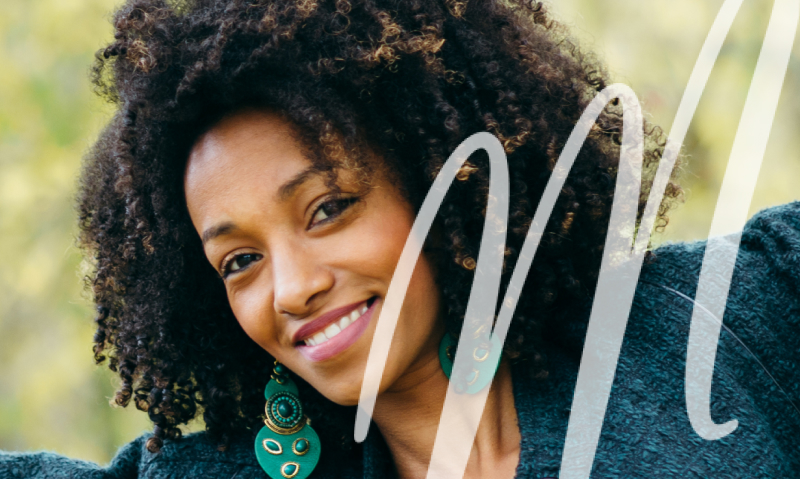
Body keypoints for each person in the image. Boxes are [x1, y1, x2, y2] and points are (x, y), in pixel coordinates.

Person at [1, 0, 799, 478]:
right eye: (239, 260)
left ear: (444, 178)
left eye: (327, 208)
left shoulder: (731, 315)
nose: (291, 287)